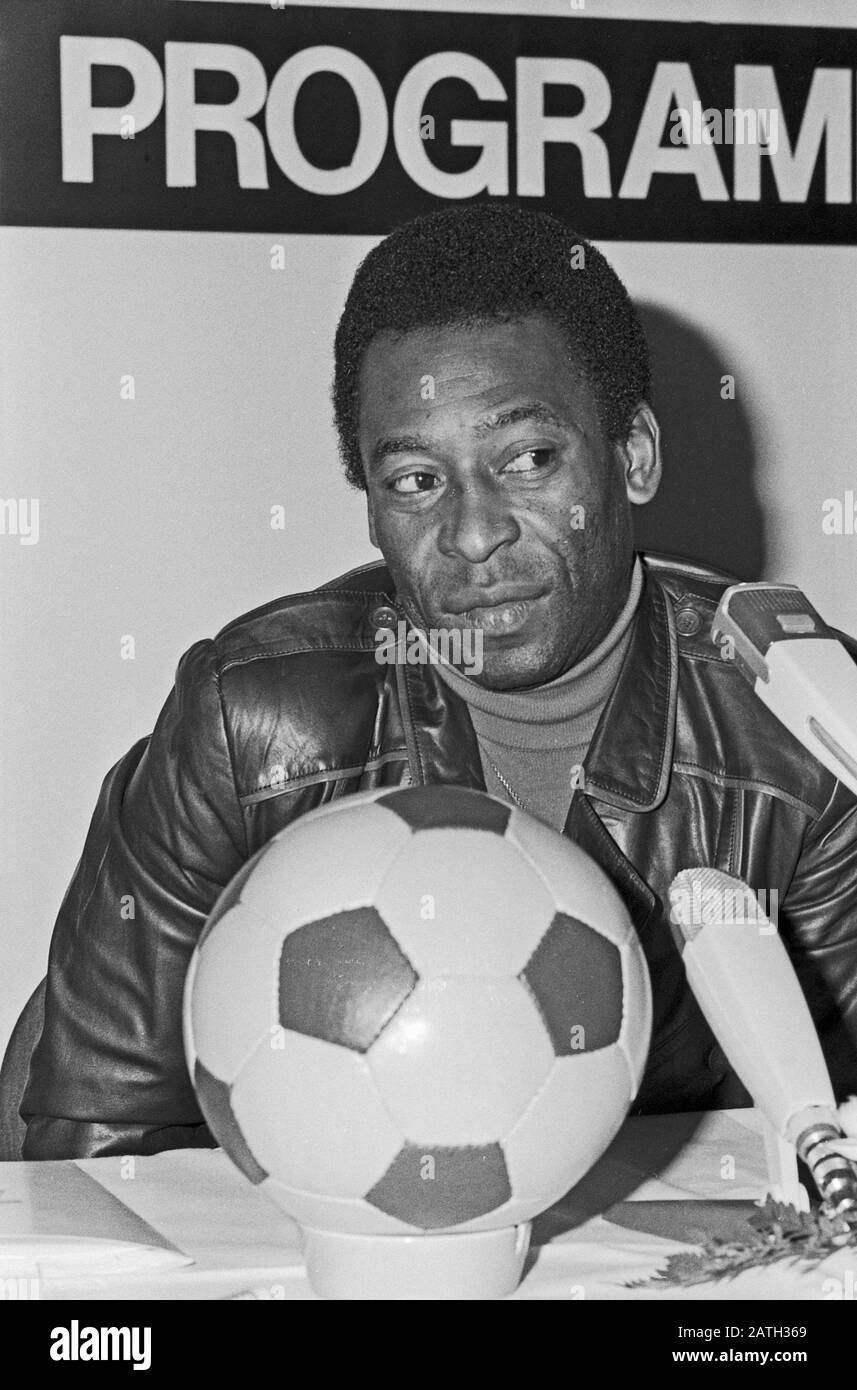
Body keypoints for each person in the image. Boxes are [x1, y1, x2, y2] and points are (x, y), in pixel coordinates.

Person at [21, 203, 857, 1159]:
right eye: (416, 479)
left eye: (528, 459)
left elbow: (833, 1147)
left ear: (631, 455)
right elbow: (96, 1147)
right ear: (370, 507)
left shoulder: (793, 725)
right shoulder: (249, 724)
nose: (472, 533)